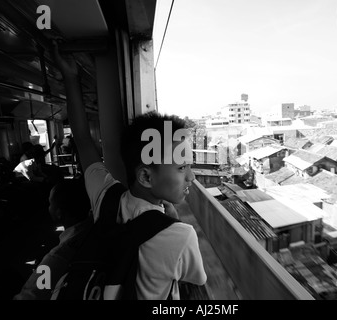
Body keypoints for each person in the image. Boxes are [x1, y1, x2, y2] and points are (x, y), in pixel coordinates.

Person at [53, 42, 206, 299]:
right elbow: (197, 278)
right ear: (146, 176)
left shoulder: (106, 197)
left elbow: (82, 139)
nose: (191, 176)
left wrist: (70, 76)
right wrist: (173, 220)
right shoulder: (180, 235)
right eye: (181, 167)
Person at [14, 179, 92, 300]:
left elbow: (31, 295)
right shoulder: (93, 230)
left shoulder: (58, 257)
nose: (48, 207)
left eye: (50, 203)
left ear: (59, 213)